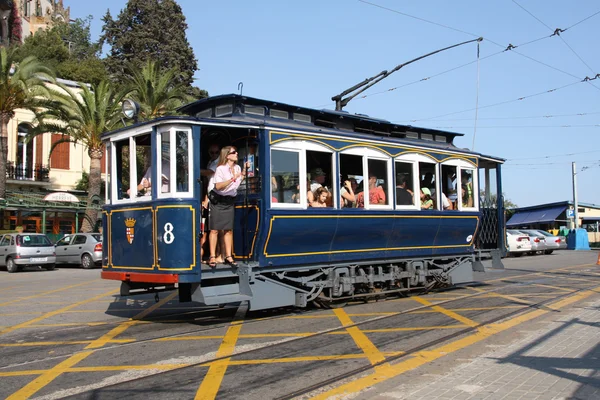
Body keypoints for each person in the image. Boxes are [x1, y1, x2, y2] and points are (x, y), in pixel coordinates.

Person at [208, 146, 250, 268]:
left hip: (229, 201)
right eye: (234, 152)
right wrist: (233, 178)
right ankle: (212, 256)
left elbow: (237, 185)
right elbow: (219, 186)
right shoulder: (220, 169)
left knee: (228, 230)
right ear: (227, 155)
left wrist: (243, 173)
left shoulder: (237, 167)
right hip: (218, 201)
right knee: (214, 229)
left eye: (236, 151)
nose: (237, 153)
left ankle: (228, 255)